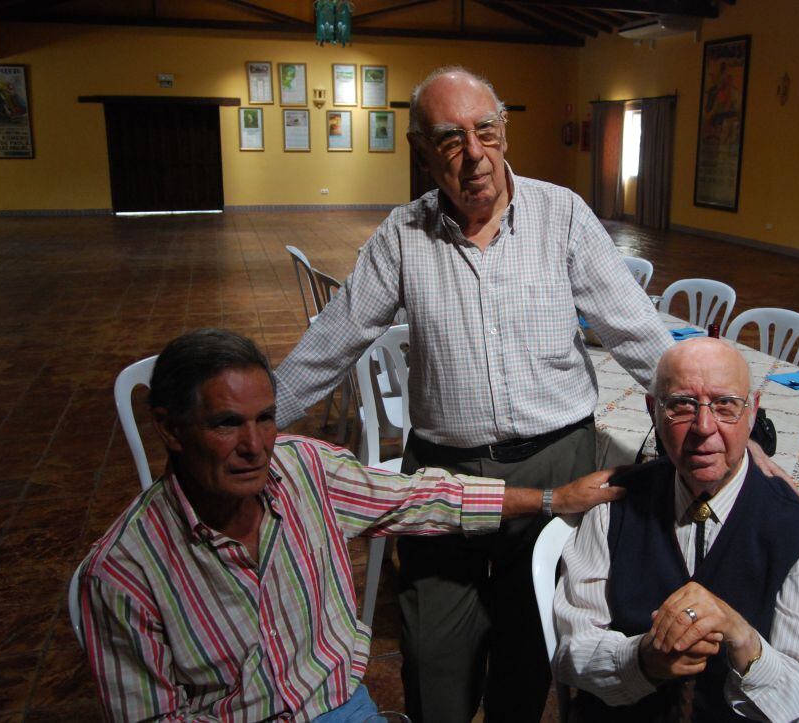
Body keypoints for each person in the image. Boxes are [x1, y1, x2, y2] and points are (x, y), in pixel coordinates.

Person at [273, 66, 674, 722]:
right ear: (423, 153)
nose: (474, 154)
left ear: (505, 133)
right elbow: (331, 344)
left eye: (485, 130)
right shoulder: (403, 237)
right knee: (433, 644)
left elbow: (639, 332)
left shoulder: (561, 214)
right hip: (442, 472)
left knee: (530, 641)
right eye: (450, 139)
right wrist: (251, 425)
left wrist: (712, 413)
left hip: (558, 461)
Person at [77, 329, 623, 722]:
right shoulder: (124, 574)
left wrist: (551, 497)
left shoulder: (306, 469)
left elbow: (426, 497)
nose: (254, 446)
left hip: (341, 705)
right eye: (226, 424)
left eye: (266, 419)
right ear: (171, 431)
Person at [554, 338, 799, 722]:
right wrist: (643, 658)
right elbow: (571, 654)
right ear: (653, 412)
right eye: (681, 405)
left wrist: (743, 640)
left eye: (725, 405)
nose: (704, 428)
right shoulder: (615, 506)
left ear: (752, 411)